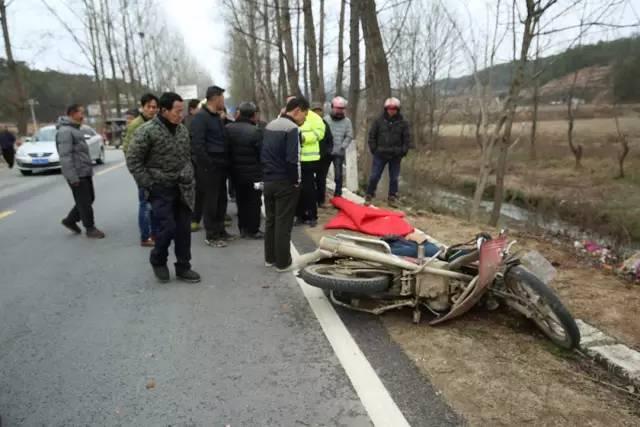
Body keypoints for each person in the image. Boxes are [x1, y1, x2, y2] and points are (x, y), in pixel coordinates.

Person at [126, 92, 200, 284]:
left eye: (182, 111)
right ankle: (158, 259)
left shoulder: (182, 130)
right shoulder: (147, 131)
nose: (181, 114)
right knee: (166, 228)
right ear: (164, 110)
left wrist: (190, 173)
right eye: (177, 111)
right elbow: (133, 160)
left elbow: (187, 156)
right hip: (160, 189)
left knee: (183, 230)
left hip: (183, 187)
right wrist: (149, 184)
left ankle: (184, 267)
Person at [261, 97, 309, 271]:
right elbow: (293, 159)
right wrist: (296, 182)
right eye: (304, 114)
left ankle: (270, 258)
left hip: (268, 180)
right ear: (297, 110)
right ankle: (283, 262)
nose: (304, 118)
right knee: (284, 223)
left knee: (271, 221)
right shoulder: (292, 129)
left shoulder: (270, 125)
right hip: (285, 182)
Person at [190, 85, 234, 248]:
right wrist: (208, 164)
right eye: (222, 98)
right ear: (215, 98)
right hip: (209, 168)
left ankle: (220, 230)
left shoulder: (216, 117)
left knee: (222, 200)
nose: (223, 101)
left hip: (221, 166)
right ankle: (211, 234)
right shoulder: (201, 118)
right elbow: (198, 145)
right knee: (211, 202)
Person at [58, 104, 105, 239]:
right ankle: (90, 228)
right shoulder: (65, 131)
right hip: (77, 173)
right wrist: (73, 177)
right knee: (84, 201)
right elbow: (65, 156)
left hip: (83, 171)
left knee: (89, 198)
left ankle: (70, 220)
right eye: (81, 113)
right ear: (73, 114)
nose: (83, 116)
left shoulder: (74, 129)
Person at [123, 93, 159, 247]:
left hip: (155, 170)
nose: (152, 110)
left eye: (154, 107)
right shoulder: (135, 125)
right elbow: (128, 150)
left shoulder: (156, 122)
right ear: (142, 107)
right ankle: (145, 237)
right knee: (145, 204)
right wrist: (138, 172)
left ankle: (154, 233)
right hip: (143, 171)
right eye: (148, 107)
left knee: (154, 203)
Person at [226, 102, 264, 239]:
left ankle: (242, 228)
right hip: (254, 174)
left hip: (235, 173)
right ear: (253, 115)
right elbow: (262, 153)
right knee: (254, 202)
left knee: (241, 201)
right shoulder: (255, 131)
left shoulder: (228, 128)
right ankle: (253, 229)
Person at [365, 97, 411, 207]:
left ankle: (392, 198)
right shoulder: (378, 121)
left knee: (394, 178)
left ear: (398, 109)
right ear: (386, 109)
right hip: (380, 154)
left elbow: (407, 138)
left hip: (395, 154)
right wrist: (374, 149)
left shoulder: (403, 123)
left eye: (394, 108)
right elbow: (372, 136)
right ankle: (369, 195)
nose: (391, 110)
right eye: (389, 108)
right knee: (374, 176)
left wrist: (403, 151)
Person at [294, 102, 326, 227]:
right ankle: (299, 215)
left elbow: (320, 134)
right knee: (297, 189)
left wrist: (303, 137)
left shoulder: (315, 118)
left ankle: (312, 216)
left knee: (309, 188)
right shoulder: (289, 115)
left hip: (309, 159)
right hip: (295, 159)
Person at [324, 96, 353, 198]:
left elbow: (349, 135)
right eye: (337, 108)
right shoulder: (326, 120)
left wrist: (343, 146)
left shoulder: (347, 121)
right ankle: (321, 195)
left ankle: (338, 195)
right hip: (326, 152)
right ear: (332, 107)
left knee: (338, 175)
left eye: (341, 109)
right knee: (323, 174)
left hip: (339, 152)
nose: (339, 111)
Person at [310, 103, 334, 208]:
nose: (317, 112)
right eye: (315, 110)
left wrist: (328, 152)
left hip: (323, 158)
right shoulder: (307, 124)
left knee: (321, 180)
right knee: (310, 181)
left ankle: (321, 201)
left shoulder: (324, 124)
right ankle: (311, 201)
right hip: (310, 157)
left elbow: (330, 139)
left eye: (319, 110)